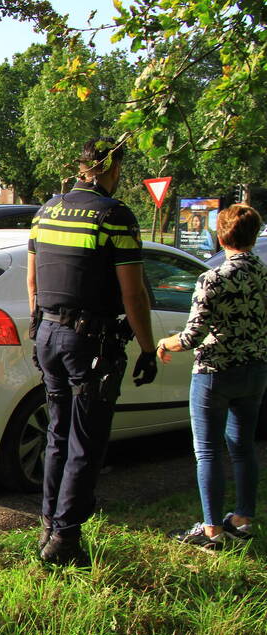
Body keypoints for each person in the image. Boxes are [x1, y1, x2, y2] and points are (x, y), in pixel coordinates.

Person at [27, 137, 158, 566]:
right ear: (108, 168)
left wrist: (38, 324)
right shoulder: (114, 216)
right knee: (85, 443)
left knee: (57, 436)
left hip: (47, 334)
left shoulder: (47, 210)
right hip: (90, 344)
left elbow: (32, 282)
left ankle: (49, 526)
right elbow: (133, 292)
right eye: (119, 168)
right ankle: (64, 540)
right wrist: (146, 347)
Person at [156, 203, 267, 550]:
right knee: (243, 447)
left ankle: (211, 531)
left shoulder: (213, 278)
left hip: (215, 373)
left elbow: (192, 336)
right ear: (254, 235)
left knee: (207, 452)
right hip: (255, 370)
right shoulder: (263, 273)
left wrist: (164, 343)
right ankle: (244, 519)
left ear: (220, 235)